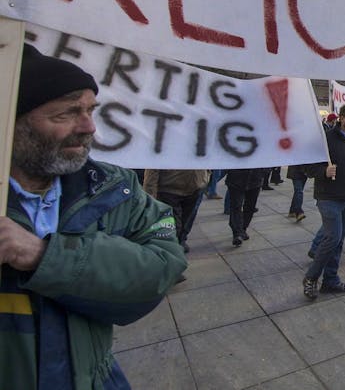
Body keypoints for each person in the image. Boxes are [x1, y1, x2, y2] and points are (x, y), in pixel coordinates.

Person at [1, 44, 186, 388]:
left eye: (90, 110)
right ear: (10, 122)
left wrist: (43, 256)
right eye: (66, 114)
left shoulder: (114, 187)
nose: (89, 127)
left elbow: (163, 268)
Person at [303, 103, 345, 299]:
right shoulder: (326, 139)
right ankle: (311, 278)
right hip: (328, 197)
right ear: (342, 118)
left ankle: (330, 280)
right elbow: (307, 167)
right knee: (332, 238)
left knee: (339, 241)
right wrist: (323, 171)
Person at [142, 167, 210, 253]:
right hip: (169, 189)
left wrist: (206, 176)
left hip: (195, 187)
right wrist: (150, 196)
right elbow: (152, 167)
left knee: (187, 220)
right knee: (174, 225)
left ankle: (180, 241)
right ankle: (172, 248)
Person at [226, 167, 270, 246]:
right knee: (236, 206)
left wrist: (264, 171)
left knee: (250, 207)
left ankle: (243, 228)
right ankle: (237, 233)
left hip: (255, 178)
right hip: (236, 179)